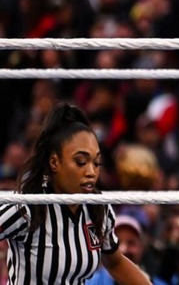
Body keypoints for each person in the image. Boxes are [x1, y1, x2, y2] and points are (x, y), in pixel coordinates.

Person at [0, 102, 151, 284]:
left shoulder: (98, 208)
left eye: (96, 163)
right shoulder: (27, 206)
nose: (91, 172)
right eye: (81, 162)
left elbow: (115, 262)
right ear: (54, 162)